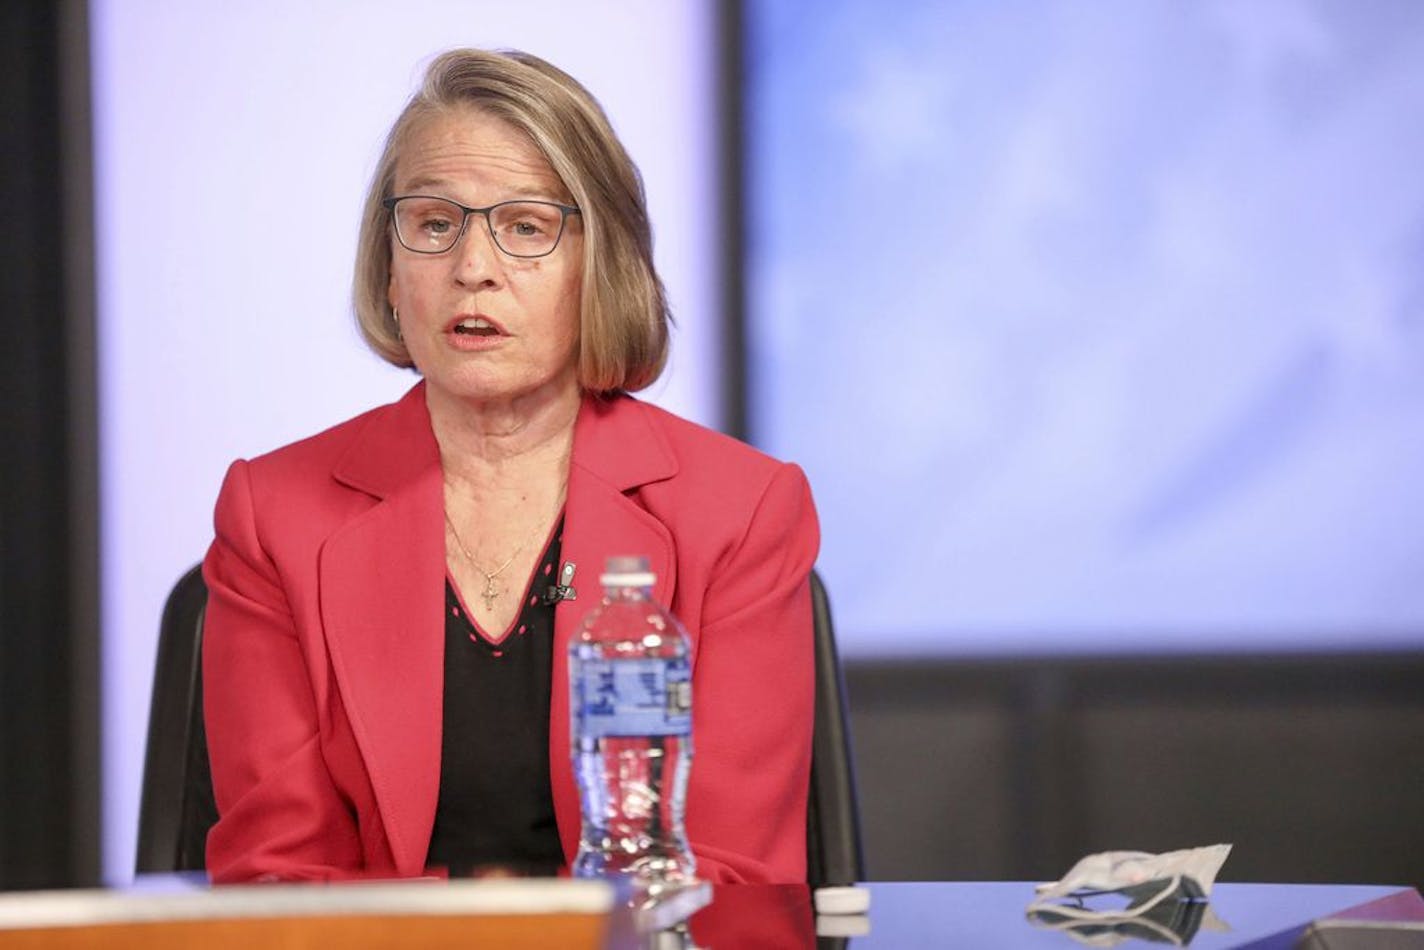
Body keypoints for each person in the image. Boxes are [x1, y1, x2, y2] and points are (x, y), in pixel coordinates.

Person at [201, 48, 819, 885]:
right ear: (390, 270)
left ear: (599, 266)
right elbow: (277, 875)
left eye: (526, 228)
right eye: (432, 224)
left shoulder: (740, 512)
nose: (472, 268)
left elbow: (731, 878)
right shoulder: (274, 515)